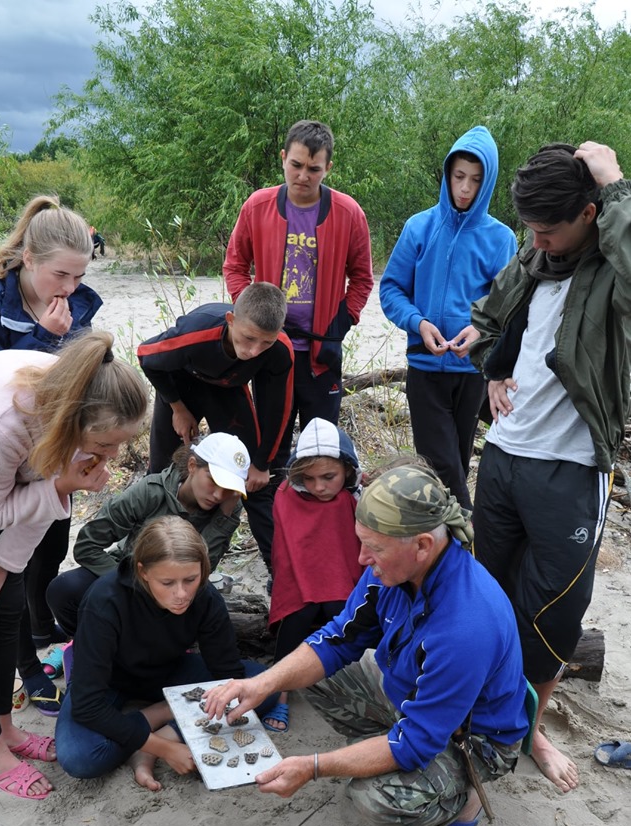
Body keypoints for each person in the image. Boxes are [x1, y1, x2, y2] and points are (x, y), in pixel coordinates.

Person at [204, 464, 529, 826]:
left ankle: (465, 803)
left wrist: (314, 766)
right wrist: (265, 684)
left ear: (423, 545)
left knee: (376, 798)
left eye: (373, 547)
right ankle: (382, 742)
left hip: (477, 738)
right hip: (414, 697)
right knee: (310, 672)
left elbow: (413, 743)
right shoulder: (394, 571)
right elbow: (339, 637)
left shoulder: (465, 626)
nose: (361, 558)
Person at [469, 141, 631, 794]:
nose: (536, 241)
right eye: (528, 229)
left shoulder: (612, 273)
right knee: (489, 592)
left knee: (555, 615)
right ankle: (488, 708)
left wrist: (617, 185)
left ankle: (529, 725)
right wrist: (491, 369)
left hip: (570, 471)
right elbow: (488, 317)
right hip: (504, 459)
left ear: (591, 214)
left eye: (548, 228)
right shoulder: (538, 253)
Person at [0, 329, 148, 799]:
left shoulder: (81, 394)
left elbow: (32, 510)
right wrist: (62, 485)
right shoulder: (8, 423)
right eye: (104, 447)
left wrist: (4, 568)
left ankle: (8, 731)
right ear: (75, 420)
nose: (111, 458)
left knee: (6, 615)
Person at [55, 516, 276, 792]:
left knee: (264, 685)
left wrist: (158, 740)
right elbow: (89, 706)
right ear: (143, 571)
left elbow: (227, 673)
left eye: (190, 580)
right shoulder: (105, 601)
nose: (181, 594)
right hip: (109, 678)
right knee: (81, 758)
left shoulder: (205, 598)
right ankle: (163, 713)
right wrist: (165, 749)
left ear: (203, 571)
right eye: (167, 582)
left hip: (168, 670)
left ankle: (154, 734)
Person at [0, 195, 103, 709]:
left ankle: (41, 629)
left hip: (51, 447)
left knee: (49, 546)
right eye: (61, 275)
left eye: (79, 277)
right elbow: (5, 381)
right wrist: (47, 337)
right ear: (29, 259)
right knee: (5, 565)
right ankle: (25, 665)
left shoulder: (80, 302)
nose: (70, 289)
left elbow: (81, 375)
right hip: (4, 447)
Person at [379, 126, 517, 509]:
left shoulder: (500, 238)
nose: (465, 188)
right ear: (447, 174)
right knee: (438, 462)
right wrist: (418, 323)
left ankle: (445, 545)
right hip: (425, 367)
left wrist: (479, 330)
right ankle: (469, 530)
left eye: (476, 180)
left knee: (454, 462)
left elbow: (507, 303)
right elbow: (390, 290)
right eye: (459, 177)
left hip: (472, 372)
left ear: (487, 182)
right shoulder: (419, 227)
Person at [223, 119, 374, 464]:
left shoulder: (349, 213)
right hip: (271, 348)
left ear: (328, 168)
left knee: (319, 451)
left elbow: (363, 278)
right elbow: (234, 265)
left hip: (322, 353)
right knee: (268, 449)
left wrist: (344, 318)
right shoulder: (258, 206)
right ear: (283, 159)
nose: (303, 175)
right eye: (296, 165)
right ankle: (271, 514)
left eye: (313, 168)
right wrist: (249, 314)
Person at [137, 282, 293, 571]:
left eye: (265, 343)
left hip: (227, 390)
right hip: (180, 388)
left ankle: (282, 573)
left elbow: (277, 408)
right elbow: (147, 356)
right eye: (248, 338)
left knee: (255, 481)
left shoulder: (280, 349)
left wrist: (262, 462)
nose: (254, 351)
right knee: (159, 475)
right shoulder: (196, 332)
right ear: (231, 320)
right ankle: (146, 561)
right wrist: (178, 408)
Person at [47, 432, 249, 638]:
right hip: (131, 576)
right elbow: (87, 545)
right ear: (192, 466)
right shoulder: (151, 492)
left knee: (204, 606)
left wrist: (224, 518)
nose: (218, 495)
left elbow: (204, 569)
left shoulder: (227, 508)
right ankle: (91, 642)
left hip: (178, 592)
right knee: (64, 590)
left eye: (228, 489)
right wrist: (136, 585)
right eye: (213, 481)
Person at [264, 417, 364, 732]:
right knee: (298, 616)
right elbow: (288, 549)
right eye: (308, 478)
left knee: (344, 617)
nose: (318, 486)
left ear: (347, 469)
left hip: (341, 577)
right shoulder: (287, 495)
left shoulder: (355, 497)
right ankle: (279, 692)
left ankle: (353, 689)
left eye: (328, 476)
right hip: (300, 576)